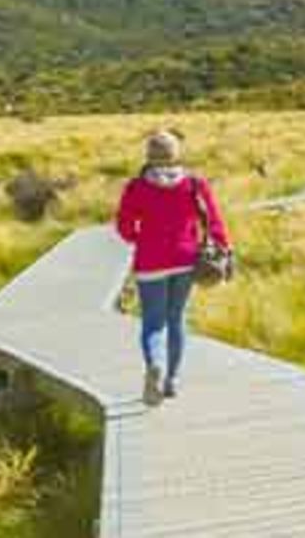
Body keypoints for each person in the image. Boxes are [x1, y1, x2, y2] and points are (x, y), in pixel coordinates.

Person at [114, 129, 231, 406]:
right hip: (185, 260)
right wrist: (224, 247)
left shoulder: (136, 187)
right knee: (176, 318)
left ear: (149, 155)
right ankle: (172, 380)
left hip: (150, 262)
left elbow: (124, 227)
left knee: (153, 324)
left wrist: (140, 238)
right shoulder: (194, 184)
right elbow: (214, 220)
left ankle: (155, 364)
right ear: (176, 154)